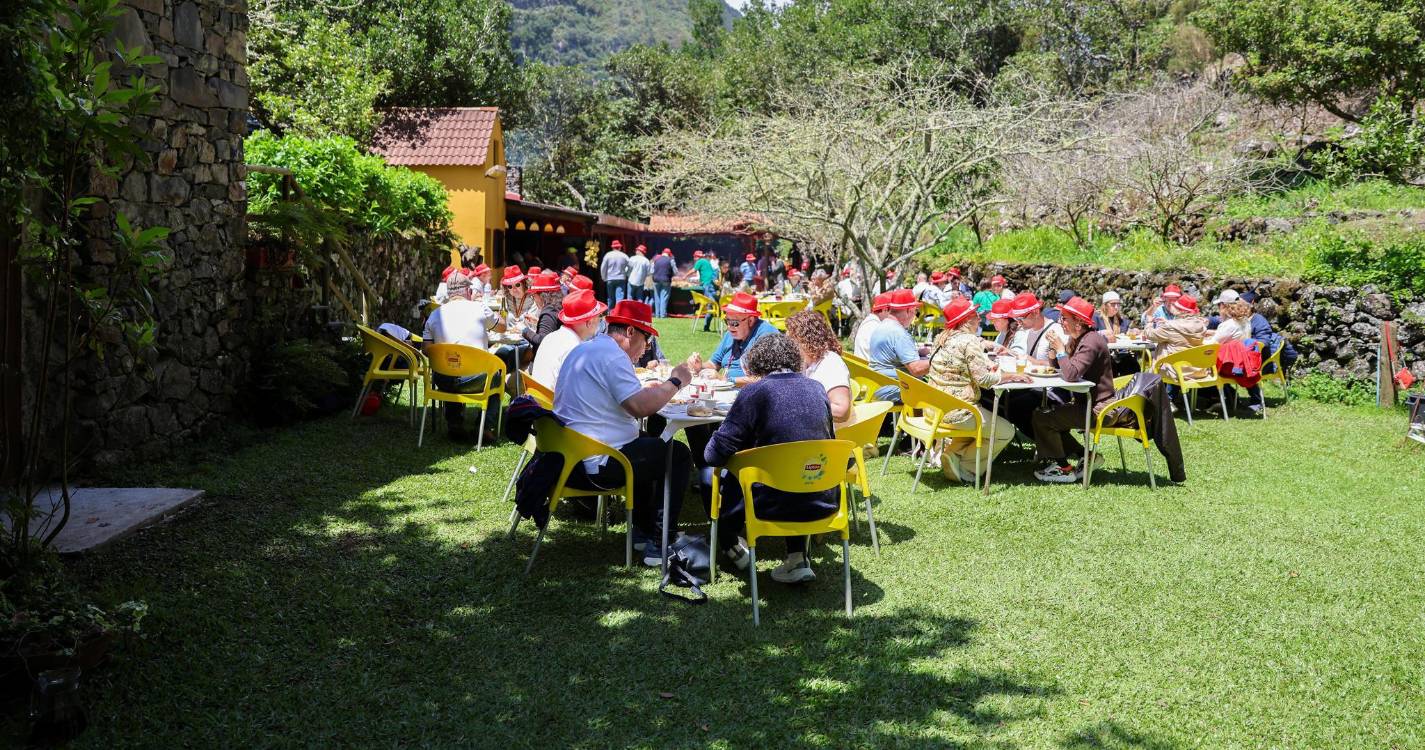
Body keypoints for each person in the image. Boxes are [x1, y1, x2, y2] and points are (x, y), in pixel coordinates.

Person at [553, 299, 696, 564]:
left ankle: (642, 532)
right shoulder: (611, 356)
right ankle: (660, 540)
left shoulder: (588, 349)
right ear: (631, 332)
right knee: (678, 455)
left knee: (648, 444)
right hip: (595, 463)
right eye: (647, 339)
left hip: (570, 456)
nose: (646, 348)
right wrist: (676, 381)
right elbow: (640, 407)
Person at [703, 333, 838, 583]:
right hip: (822, 496)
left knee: (710, 475)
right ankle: (797, 557)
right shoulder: (817, 388)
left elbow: (713, 454)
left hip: (769, 502)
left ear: (755, 363)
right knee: (795, 467)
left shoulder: (754, 393)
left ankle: (730, 543)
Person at [925, 299, 1028, 483]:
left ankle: (952, 454)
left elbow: (963, 365)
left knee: (983, 424)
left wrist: (989, 365)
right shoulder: (969, 341)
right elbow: (984, 381)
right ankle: (967, 467)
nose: (980, 319)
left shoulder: (941, 338)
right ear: (965, 320)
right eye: (975, 316)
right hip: (958, 412)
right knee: (1005, 431)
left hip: (935, 409)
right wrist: (1010, 376)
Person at [1032, 297, 1118, 483]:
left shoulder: (1090, 342)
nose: (1059, 321)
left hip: (1099, 409)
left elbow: (1071, 374)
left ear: (1078, 323)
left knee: (1042, 417)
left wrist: (1061, 349)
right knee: (1049, 414)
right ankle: (1086, 456)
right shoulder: (1079, 338)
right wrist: (1054, 352)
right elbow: (1061, 366)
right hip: (1088, 403)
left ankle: (1063, 468)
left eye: (1064, 318)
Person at [422, 271, 501, 440]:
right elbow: (501, 327)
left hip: (443, 379)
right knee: (497, 375)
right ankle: (484, 427)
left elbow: (426, 349)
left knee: (450, 365)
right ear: (467, 291)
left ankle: (454, 423)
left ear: (449, 293)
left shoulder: (434, 315)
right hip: (476, 380)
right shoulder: (479, 307)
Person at [785, 310, 852, 424]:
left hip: (833, 436)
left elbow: (841, 411)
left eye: (791, 338)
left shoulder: (831, 363)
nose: (787, 344)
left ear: (805, 338)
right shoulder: (806, 363)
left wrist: (799, 404)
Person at [528, 288, 603, 388]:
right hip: (553, 402)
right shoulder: (576, 349)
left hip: (539, 399)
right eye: (599, 316)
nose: (600, 320)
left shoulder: (551, 337)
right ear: (590, 322)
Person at [868, 289, 930, 402]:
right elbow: (916, 369)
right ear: (908, 311)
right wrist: (940, 362)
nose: (915, 316)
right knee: (940, 391)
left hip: (878, 386)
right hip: (893, 389)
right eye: (915, 311)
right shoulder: (898, 333)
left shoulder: (881, 327)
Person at [704, 292, 778, 384]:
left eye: (735, 323)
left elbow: (768, 378)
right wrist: (699, 367)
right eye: (727, 321)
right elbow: (713, 364)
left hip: (753, 393)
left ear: (750, 320)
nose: (729, 327)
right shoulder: (730, 334)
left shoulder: (767, 336)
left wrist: (727, 380)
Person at [1145, 294, 1207, 373]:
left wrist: (1149, 322)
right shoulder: (1201, 325)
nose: (1172, 306)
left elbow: (1150, 335)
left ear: (1181, 310)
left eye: (1175, 305)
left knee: (1163, 344)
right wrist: (1167, 322)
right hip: (1197, 370)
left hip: (1175, 371)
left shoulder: (1170, 327)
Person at [1008, 292, 1065, 365]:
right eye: (1015, 318)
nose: (1018, 322)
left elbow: (1064, 366)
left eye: (1021, 317)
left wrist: (1035, 362)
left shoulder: (1057, 330)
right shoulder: (1026, 330)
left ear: (1036, 312)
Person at [522, 271, 565, 353]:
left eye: (533, 296)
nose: (533, 299)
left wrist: (524, 331)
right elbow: (554, 328)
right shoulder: (558, 305)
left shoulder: (548, 312)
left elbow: (542, 341)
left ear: (542, 295)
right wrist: (538, 322)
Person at [682, 250, 720, 331]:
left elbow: (693, 270)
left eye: (694, 257)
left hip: (708, 285)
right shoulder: (706, 261)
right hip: (710, 284)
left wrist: (684, 276)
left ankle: (708, 326)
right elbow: (706, 274)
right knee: (712, 304)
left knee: (711, 305)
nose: (694, 259)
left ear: (696, 257)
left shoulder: (700, 261)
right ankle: (706, 326)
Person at [852, 292, 892, 360]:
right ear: (884, 310)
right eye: (892, 311)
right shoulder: (877, 327)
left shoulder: (868, 322)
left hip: (862, 367)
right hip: (871, 369)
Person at [651, 248, 675, 318]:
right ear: (669, 254)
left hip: (656, 280)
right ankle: (663, 315)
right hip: (666, 280)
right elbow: (675, 271)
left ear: (662, 253)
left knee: (657, 297)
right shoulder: (671, 260)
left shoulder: (655, 259)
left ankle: (657, 314)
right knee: (664, 298)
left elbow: (651, 271)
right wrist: (671, 274)